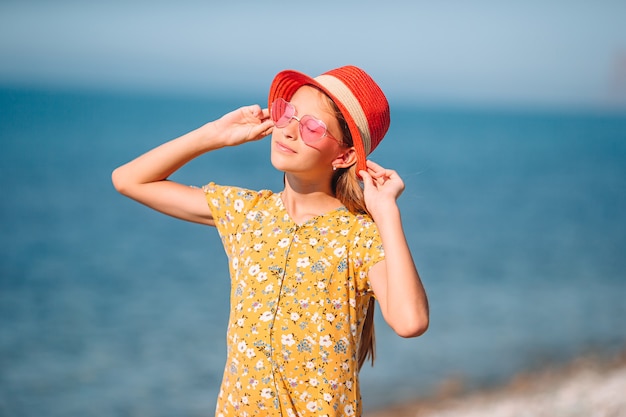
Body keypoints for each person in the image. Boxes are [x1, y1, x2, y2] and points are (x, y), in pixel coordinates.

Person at [112, 65, 429, 417]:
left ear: (344, 156)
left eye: (312, 127)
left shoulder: (358, 237)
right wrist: (215, 134)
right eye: (287, 113)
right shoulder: (247, 214)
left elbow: (410, 321)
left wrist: (386, 213)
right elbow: (129, 180)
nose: (290, 131)